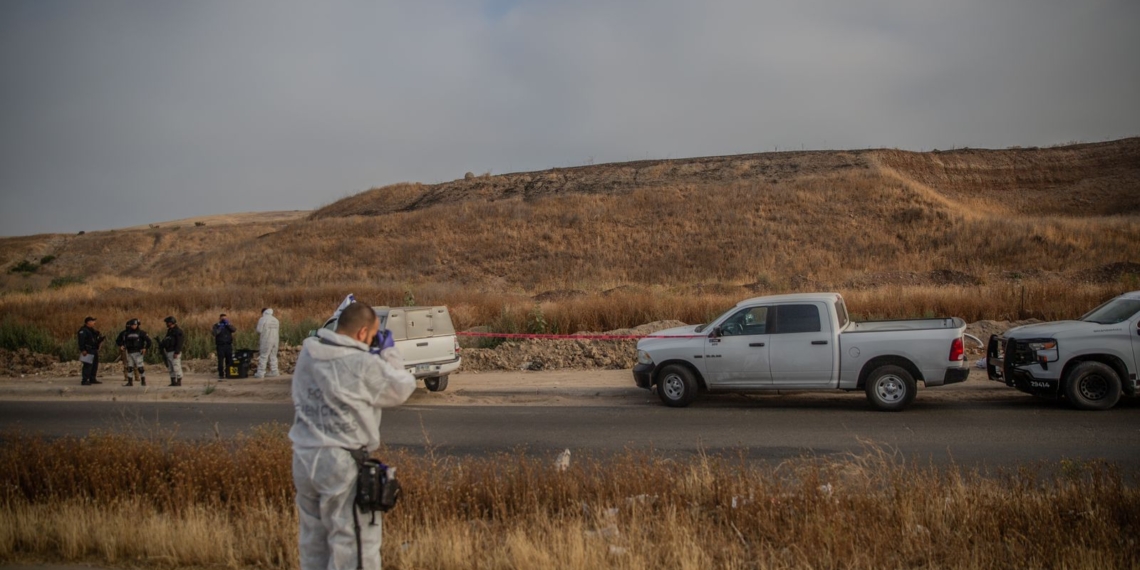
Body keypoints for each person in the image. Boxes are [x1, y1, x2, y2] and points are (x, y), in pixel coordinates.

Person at [290, 301, 416, 570]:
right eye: (370, 336)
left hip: (304, 457)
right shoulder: (362, 364)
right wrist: (390, 353)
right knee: (355, 546)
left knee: (314, 542)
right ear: (362, 334)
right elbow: (402, 387)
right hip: (341, 462)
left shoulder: (309, 353)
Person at [115, 318, 152, 386]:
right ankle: (130, 381)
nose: (133, 326)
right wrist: (121, 345)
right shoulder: (126, 333)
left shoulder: (142, 333)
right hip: (129, 352)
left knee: (140, 367)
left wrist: (145, 348)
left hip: (138, 352)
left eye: (135, 324)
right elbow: (120, 341)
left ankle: (143, 381)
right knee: (130, 367)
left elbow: (149, 341)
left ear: (137, 325)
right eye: (132, 325)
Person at [77, 316, 105, 386]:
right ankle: (85, 380)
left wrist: (100, 340)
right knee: (87, 365)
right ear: (88, 322)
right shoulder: (83, 330)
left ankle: (92, 378)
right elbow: (81, 341)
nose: (94, 323)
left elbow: (94, 340)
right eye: (93, 321)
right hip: (87, 350)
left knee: (94, 365)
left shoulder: (92, 330)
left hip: (94, 349)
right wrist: (83, 349)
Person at [255, 307, 280, 378]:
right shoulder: (276, 320)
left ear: (263, 312)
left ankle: (260, 373)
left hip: (266, 339)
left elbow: (259, 330)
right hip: (275, 339)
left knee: (264, 355)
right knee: (273, 355)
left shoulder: (263, 319)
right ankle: (274, 371)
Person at [161, 316, 185, 387]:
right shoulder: (169, 331)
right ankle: (173, 381)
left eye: (167, 323)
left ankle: (179, 381)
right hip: (168, 351)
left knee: (176, 367)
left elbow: (179, 342)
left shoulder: (178, 331)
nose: (166, 324)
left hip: (174, 352)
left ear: (171, 323)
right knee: (170, 368)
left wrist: (177, 352)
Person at [212, 313, 237, 380]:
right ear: (219, 319)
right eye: (222, 319)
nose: (224, 320)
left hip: (228, 345)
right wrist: (220, 327)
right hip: (220, 345)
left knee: (229, 360)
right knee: (220, 360)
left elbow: (234, 330)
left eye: (225, 319)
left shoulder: (228, 325)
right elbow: (214, 333)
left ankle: (228, 373)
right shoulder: (216, 325)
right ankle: (221, 374)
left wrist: (228, 324)